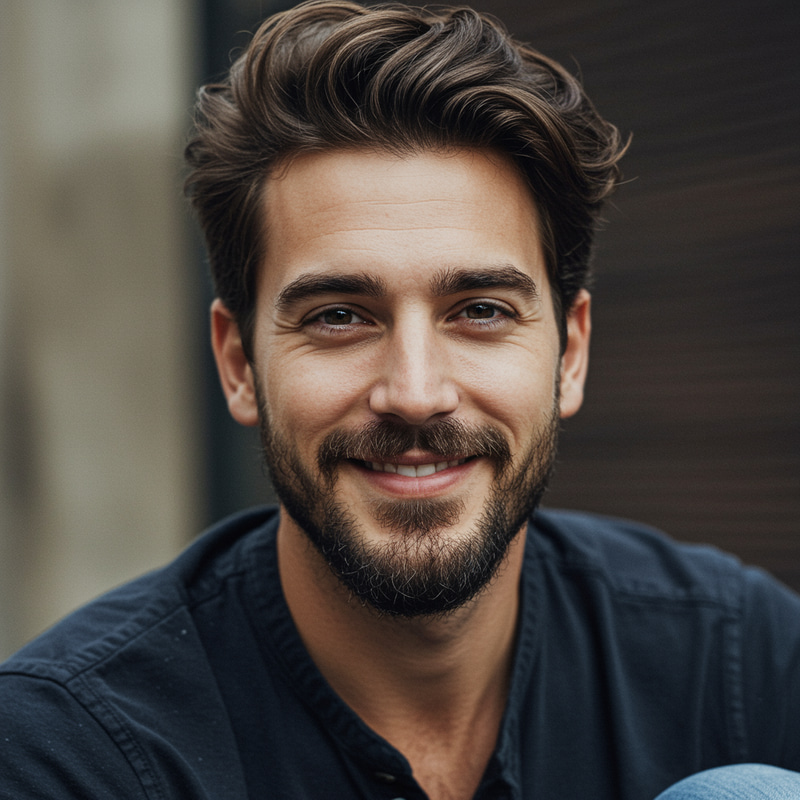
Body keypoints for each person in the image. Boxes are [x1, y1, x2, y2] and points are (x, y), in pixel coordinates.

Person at [1, 2, 798, 798]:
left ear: (572, 351)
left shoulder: (739, 663)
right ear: (239, 363)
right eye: (339, 317)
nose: (416, 395)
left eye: (480, 311)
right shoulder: (69, 752)